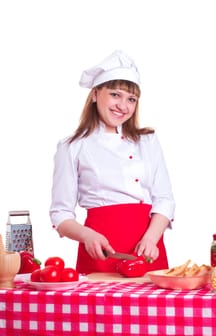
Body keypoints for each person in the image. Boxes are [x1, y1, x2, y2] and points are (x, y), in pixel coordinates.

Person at [49, 50, 175, 274]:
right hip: (100, 251)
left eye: (131, 99)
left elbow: (164, 199)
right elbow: (60, 213)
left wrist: (151, 239)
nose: (123, 106)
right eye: (115, 95)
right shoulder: (71, 147)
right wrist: (86, 235)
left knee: (151, 309)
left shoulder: (147, 141)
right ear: (96, 94)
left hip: (148, 250)